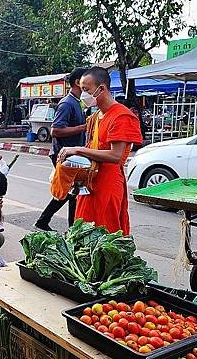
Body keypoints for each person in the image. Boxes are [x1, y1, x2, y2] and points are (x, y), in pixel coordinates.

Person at [58, 67, 142, 235]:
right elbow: (91, 148)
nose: (83, 95)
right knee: (82, 233)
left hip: (108, 184)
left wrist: (78, 150)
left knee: (105, 235)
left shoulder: (121, 116)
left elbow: (115, 156)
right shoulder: (95, 117)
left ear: (101, 88)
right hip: (89, 182)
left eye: (86, 90)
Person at [35, 68, 87, 231]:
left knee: (71, 192)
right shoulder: (67, 103)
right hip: (63, 155)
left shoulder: (77, 103)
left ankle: (49, 222)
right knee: (70, 192)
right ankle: (66, 228)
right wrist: (83, 128)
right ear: (78, 82)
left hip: (73, 154)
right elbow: (55, 130)